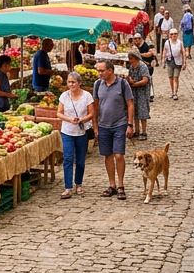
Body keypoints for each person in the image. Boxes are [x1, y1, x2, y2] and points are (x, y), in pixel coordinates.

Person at [92, 60, 135, 201]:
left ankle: (121, 185)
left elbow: (130, 104)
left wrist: (130, 124)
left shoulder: (122, 84)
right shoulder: (98, 84)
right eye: (98, 70)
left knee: (118, 155)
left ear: (110, 70)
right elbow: (96, 106)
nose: (99, 73)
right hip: (104, 124)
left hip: (119, 124)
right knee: (108, 155)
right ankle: (112, 185)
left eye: (102, 70)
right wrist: (95, 125)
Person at [58, 71, 96, 199]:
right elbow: (59, 113)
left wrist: (82, 119)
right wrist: (69, 119)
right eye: (69, 82)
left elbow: (92, 113)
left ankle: (78, 183)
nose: (71, 84)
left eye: (73, 82)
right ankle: (68, 187)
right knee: (68, 158)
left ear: (79, 83)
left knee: (80, 160)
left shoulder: (87, 96)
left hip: (81, 131)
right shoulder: (64, 96)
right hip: (67, 131)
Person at [126, 49, 151, 140]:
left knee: (142, 112)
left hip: (142, 92)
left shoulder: (142, 66)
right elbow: (129, 75)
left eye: (131, 58)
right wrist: (130, 79)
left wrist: (135, 84)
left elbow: (145, 80)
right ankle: (136, 131)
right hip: (134, 92)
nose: (130, 60)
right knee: (135, 111)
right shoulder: (132, 67)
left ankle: (144, 132)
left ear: (136, 58)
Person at [161, 27, 186, 100]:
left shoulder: (180, 43)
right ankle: (172, 91)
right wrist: (163, 60)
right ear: (170, 35)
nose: (174, 35)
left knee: (176, 77)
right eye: (172, 34)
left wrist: (184, 63)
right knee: (170, 77)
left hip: (178, 62)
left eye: (175, 34)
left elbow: (183, 52)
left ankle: (175, 93)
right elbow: (164, 51)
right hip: (170, 61)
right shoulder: (167, 43)